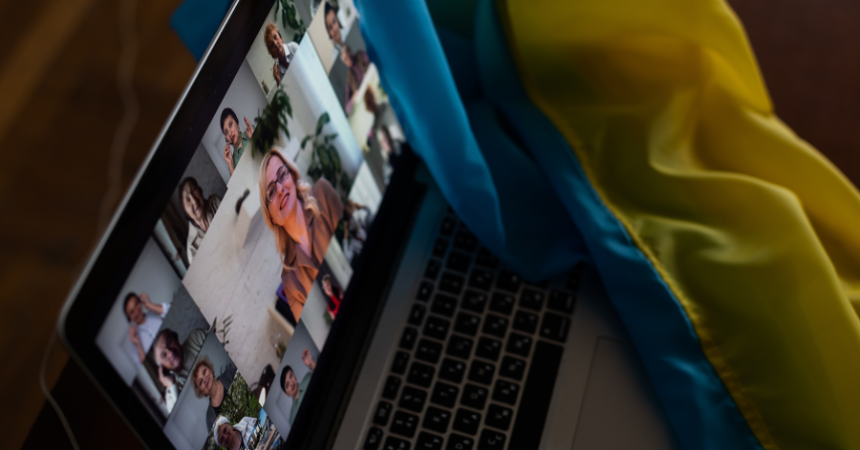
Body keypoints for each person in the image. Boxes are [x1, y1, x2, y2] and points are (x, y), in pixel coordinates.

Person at [258, 149, 343, 323]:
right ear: (271, 217)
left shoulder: (324, 194)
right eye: (271, 192)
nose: (280, 190)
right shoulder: (290, 281)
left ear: (293, 176)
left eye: (282, 175)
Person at [324, 2, 369, 112]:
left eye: (334, 22)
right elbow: (347, 109)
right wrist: (354, 97)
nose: (334, 28)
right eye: (330, 27)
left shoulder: (349, 29)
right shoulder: (348, 77)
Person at [152, 327, 207, 413]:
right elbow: (184, 415)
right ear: (162, 368)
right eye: (164, 355)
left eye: (169, 342)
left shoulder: (196, 338)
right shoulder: (172, 394)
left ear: (176, 338)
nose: (170, 353)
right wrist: (172, 385)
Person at [180, 177, 222, 264]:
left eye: (194, 190)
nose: (194, 201)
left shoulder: (215, 202)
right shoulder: (192, 249)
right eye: (188, 200)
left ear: (200, 190)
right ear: (185, 211)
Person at [123, 292, 170, 365]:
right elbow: (146, 366)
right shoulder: (135, 346)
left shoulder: (155, 312)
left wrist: (151, 305)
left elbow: (173, 310)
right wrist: (138, 343)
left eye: (136, 304)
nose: (136, 311)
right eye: (132, 312)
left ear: (140, 302)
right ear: (129, 318)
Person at [192, 356, 237, 431]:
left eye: (204, 372)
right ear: (201, 391)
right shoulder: (209, 418)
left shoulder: (230, 374)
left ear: (210, 369)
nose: (205, 379)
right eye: (200, 382)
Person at [280, 349, 316, 425]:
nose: (291, 383)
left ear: (294, 375)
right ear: (286, 393)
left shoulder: (308, 378)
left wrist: (311, 364)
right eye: (287, 385)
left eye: (291, 376)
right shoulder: (292, 418)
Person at [263, 23, 300, 87]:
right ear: (272, 54)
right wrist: (278, 81)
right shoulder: (279, 73)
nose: (275, 43)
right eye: (272, 45)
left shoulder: (293, 48)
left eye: (275, 37)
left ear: (280, 35)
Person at [221, 108, 254, 175]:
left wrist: (255, 140)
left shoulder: (252, 129)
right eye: (226, 132)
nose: (230, 133)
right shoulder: (233, 163)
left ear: (237, 123)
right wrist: (230, 165)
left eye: (230, 124)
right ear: (226, 139)